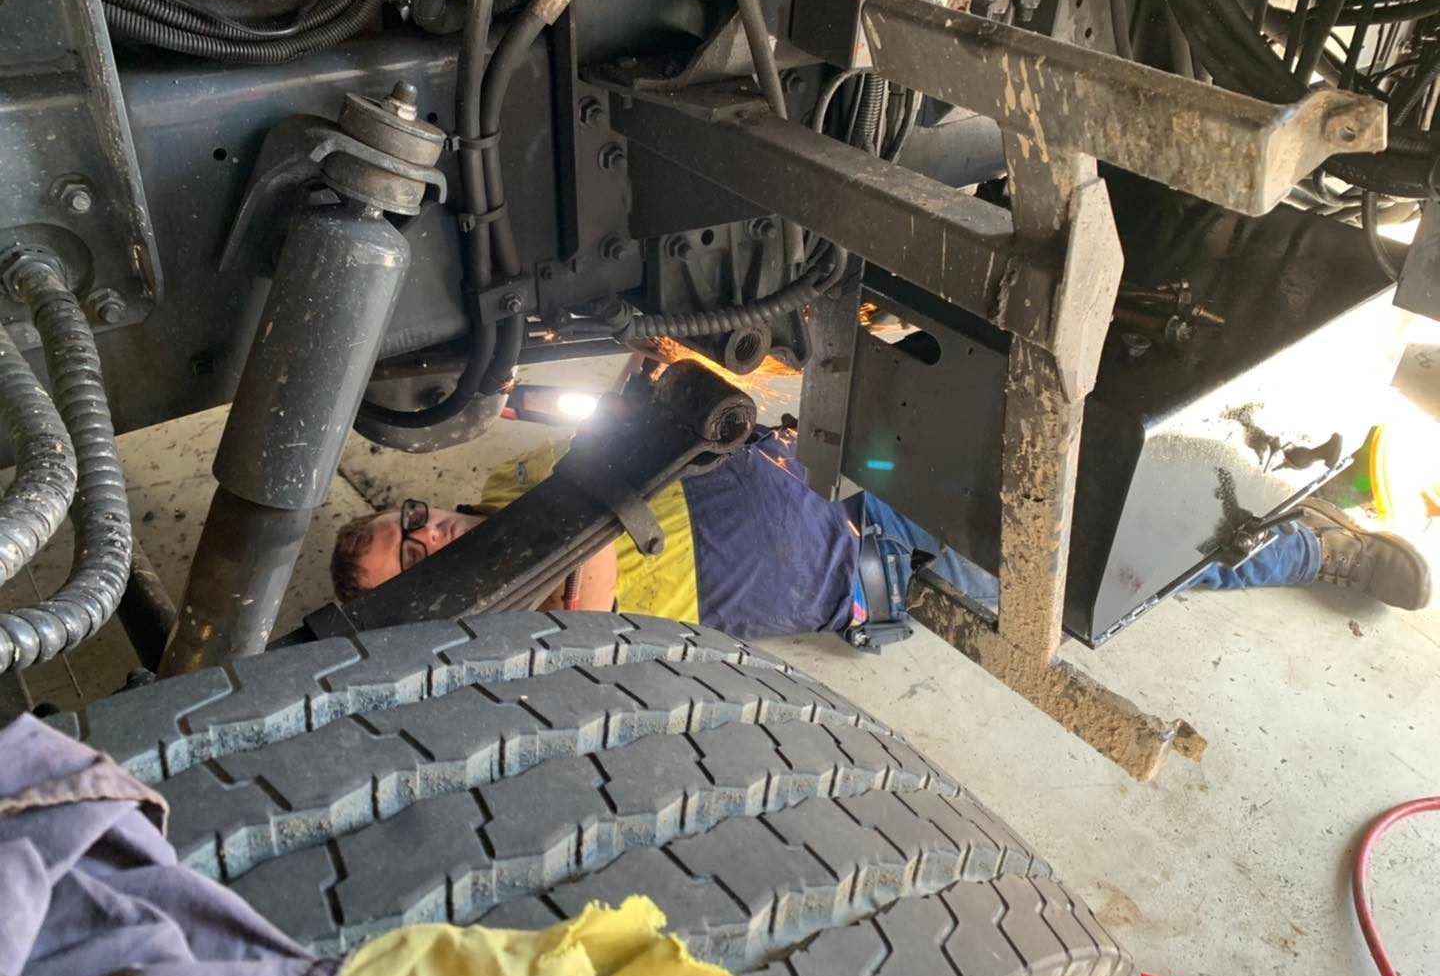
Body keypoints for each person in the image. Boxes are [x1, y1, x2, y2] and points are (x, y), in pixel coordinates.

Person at [331, 425, 1432, 642]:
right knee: (1069, 580)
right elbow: (599, 604)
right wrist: (605, 477)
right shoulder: (513, 639)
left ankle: (1259, 491)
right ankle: (1308, 549)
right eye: (416, 561)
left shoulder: (522, 476)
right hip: (867, 552)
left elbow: (647, 419)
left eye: (400, 522)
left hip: (836, 458)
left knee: (1044, 443)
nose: (425, 528)